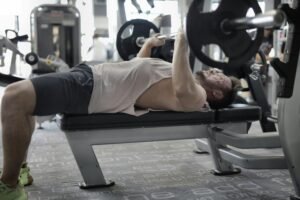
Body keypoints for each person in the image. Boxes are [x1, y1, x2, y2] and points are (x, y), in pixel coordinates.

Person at [0, 29, 240, 200]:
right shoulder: (183, 76)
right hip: (88, 79)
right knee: (25, 102)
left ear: (217, 94)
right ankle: (19, 170)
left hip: (90, 90)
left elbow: (181, 88)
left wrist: (182, 42)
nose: (215, 70)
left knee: (13, 97)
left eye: (220, 77)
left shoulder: (197, 95)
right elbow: (137, 69)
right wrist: (149, 45)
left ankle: (9, 185)